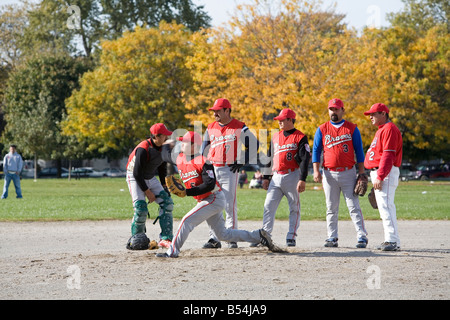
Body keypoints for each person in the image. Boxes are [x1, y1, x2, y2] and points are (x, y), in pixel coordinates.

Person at [156, 131, 274, 258]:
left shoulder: (204, 161)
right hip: (205, 200)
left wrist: (187, 192)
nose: (181, 144)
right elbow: (165, 155)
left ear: (194, 146)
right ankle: (258, 235)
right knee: (223, 235)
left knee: (186, 221)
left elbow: (209, 184)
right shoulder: (180, 158)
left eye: (184, 142)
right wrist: (167, 144)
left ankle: (172, 251)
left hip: (213, 199)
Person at [201, 98, 259, 249]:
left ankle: (231, 237)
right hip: (212, 169)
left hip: (228, 170)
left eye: (218, 111)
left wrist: (241, 161)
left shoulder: (239, 126)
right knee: (213, 203)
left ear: (227, 111)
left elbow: (254, 144)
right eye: (214, 111)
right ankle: (214, 238)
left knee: (228, 204)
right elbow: (203, 150)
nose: (215, 114)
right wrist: (204, 168)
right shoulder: (210, 127)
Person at [312, 98, 369, 248]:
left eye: (337, 109)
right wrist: (316, 171)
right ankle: (332, 237)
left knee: (353, 206)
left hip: (348, 173)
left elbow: (359, 151)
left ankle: (362, 236)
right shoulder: (322, 129)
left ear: (343, 110)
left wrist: (361, 173)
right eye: (331, 109)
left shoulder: (351, 128)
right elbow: (316, 151)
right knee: (331, 207)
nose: (334, 111)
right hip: (329, 174)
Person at [256, 108, 311, 247]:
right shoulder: (275, 136)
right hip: (276, 176)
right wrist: (266, 176)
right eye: (279, 120)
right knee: (268, 205)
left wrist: (302, 179)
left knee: (294, 207)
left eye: (282, 120)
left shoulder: (300, 137)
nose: (279, 122)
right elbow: (269, 156)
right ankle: (266, 235)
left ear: (290, 120)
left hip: (292, 175)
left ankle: (291, 236)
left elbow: (305, 159)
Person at [125, 123, 174, 250]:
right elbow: (137, 173)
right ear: (157, 137)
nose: (167, 138)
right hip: (135, 177)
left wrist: (164, 185)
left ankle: (166, 238)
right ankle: (137, 239)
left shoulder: (163, 148)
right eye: (164, 136)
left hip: (150, 177)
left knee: (167, 202)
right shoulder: (143, 148)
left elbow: (162, 168)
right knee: (141, 209)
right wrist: (148, 192)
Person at [364, 103, 403, 251]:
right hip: (381, 172)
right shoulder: (382, 130)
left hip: (385, 172)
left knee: (386, 206)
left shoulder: (389, 129)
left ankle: (391, 241)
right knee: (384, 207)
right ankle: (393, 240)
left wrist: (380, 176)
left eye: (373, 114)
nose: (371, 117)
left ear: (383, 114)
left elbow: (388, 155)